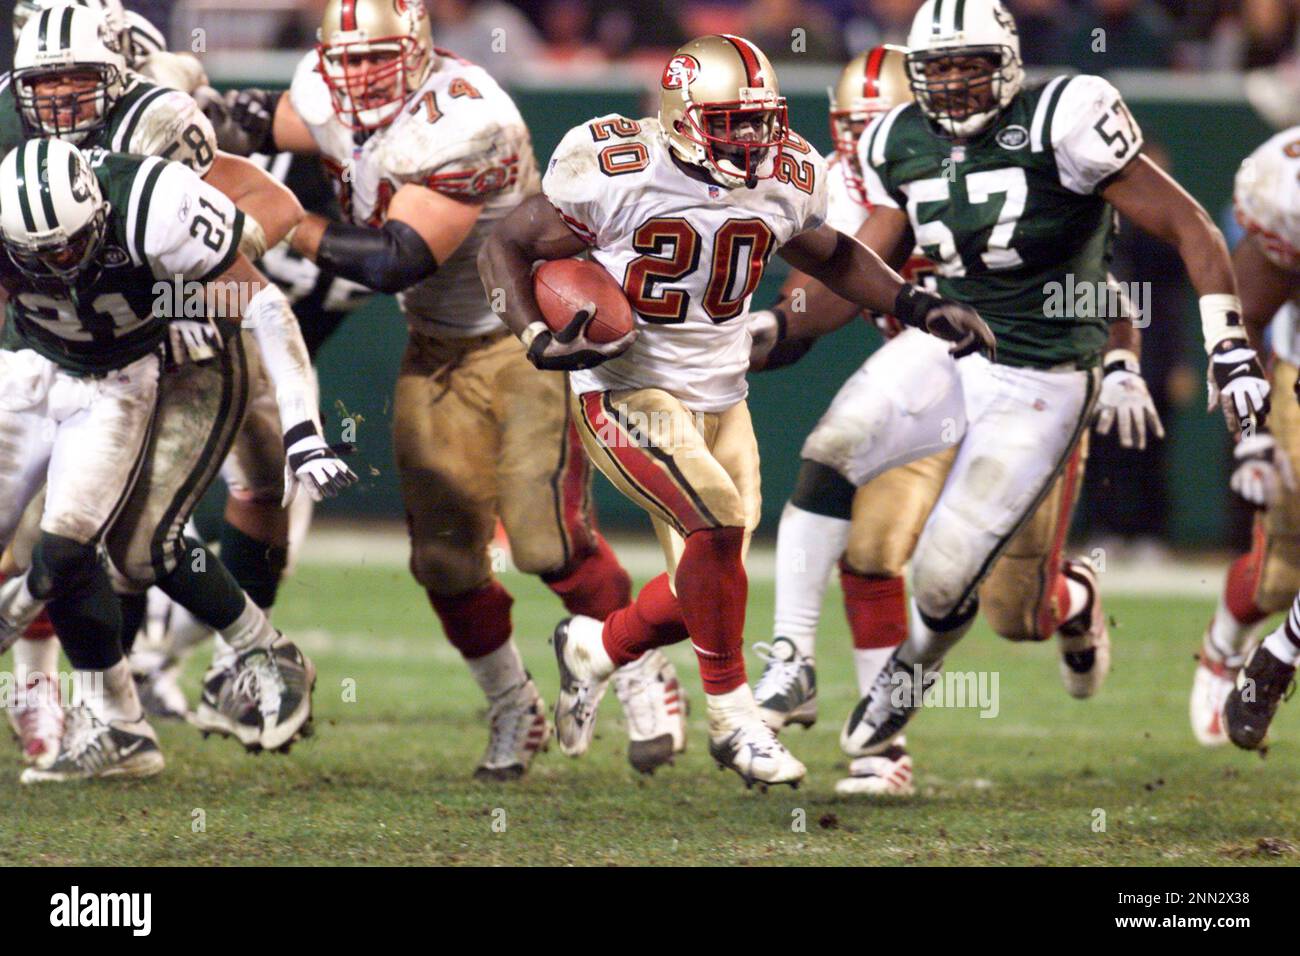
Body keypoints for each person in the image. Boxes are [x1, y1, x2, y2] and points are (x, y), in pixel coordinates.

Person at [478, 32, 994, 789]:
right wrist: (532, 333)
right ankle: (734, 721)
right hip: (625, 387)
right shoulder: (617, 166)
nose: (752, 138)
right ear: (683, 115)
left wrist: (917, 303)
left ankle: (595, 649)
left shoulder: (785, 172)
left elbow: (833, 254)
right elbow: (507, 244)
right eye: (732, 120)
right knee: (716, 529)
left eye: (762, 120)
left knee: (709, 579)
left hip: (723, 393)